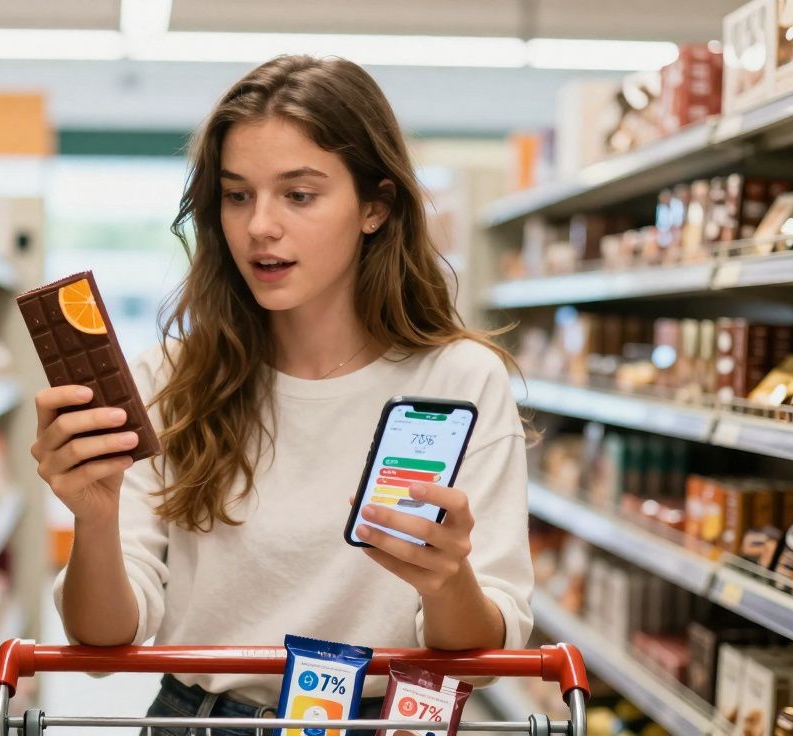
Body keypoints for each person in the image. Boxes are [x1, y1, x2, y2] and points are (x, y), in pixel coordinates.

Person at [31, 54, 533, 735]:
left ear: (376, 207)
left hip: (383, 722)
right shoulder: (172, 380)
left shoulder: (459, 380)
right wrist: (92, 519)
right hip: (199, 721)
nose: (259, 225)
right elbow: (100, 646)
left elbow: (483, 652)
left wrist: (447, 584)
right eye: (238, 195)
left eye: (298, 194)